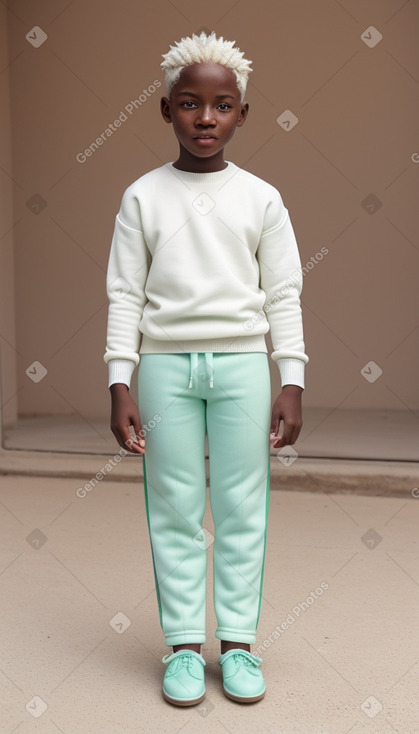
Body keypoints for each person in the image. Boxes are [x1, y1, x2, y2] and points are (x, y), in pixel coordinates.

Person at [103, 30, 309, 707]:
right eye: (189, 104)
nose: (205, 119)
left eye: (222, 106)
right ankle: (185, 649)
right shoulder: (141, 197)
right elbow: (124, 295)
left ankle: (240, 646)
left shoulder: (262, 199)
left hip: (246, 369)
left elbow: (282, 293)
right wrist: (119, 378)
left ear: (242, 114)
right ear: (165, 110)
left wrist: (290, 378)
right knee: (175, 509)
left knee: (241, 508)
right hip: (163, 370)